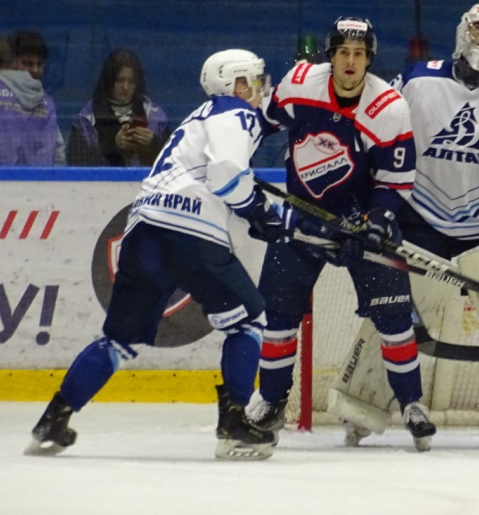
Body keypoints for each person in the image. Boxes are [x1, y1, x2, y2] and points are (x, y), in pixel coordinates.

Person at [324, 0, 479, 445]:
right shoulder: (419, 80)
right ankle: (359, 407)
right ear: (462, 33)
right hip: (422, 218)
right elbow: (380, 128)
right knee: (391, 311)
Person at [26, 49, 285, 461]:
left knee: (118, 340)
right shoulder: (238, 113)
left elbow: (216, 171)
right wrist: (261, 213)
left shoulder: (199, 117)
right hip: (190, 231)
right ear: (236, 85)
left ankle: (54, 417)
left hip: (143, 228)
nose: (260, 87)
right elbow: (227, 176)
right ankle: (234, 423)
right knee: (249, 321)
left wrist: (249, 207)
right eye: (254, 79)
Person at [251, 17, 437, 451]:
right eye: (342, 53)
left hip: (359, 221)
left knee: (393, 317)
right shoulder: (299, 84)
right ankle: (273, 401)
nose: (350, 62)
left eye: (359, 54)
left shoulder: (388, 106)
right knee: (278, 315)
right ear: (330, 55)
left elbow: (396, 181)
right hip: (302, 218)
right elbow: (261, 125)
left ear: (369, 59)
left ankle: (412, 404)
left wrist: (376, 222)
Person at [0, 33, 65, 165]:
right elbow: (58, 157)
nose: (34, 70)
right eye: (27, 63)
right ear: (11, 61)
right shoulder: (47, 102)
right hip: (40, 183)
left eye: (39, 64)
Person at [67, 48, 171, 166]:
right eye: (120, 80)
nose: (125, 87)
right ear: (108, 80)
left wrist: (153, 143)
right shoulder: (86, 119)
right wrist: (113, 146)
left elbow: (173, 161)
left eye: (131, 81)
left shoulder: (155, 116)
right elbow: (77, 164)